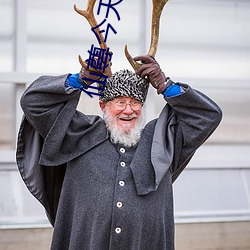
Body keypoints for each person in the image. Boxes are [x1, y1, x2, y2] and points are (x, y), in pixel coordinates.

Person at [16, 55, 222, 250]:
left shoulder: (162, 140)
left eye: (135, 102)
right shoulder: (79, 133)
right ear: (103, 106)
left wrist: (165, 85)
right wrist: (79, 80)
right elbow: (32, 102)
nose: (128, 110)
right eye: (120, 102)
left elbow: (208, 116)